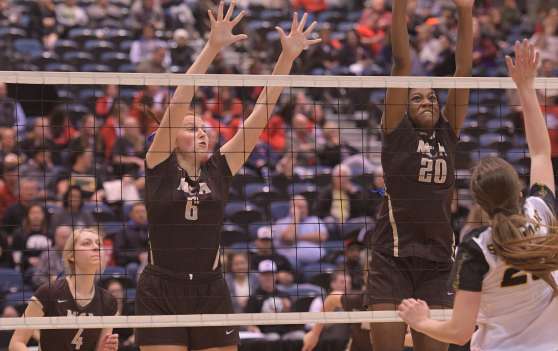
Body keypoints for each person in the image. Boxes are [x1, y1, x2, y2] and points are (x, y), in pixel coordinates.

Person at [136, 1, 321, 350]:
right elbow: (178, 103)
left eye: (204, 128)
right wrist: (212, 46)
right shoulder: (158, 163)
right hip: (161, 288)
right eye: (192, 129)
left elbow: (260, 116)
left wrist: (287, 58)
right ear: (171, 138)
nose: (203, 132)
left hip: (210, 287)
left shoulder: (220, 167)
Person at [399, 40, 558, 351]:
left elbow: (459, 333)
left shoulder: (477, 248)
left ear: (479, 203)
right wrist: (526, 87)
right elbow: (540, 152)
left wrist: (420, 321)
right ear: (519, 189)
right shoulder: (540, 212)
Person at [365, 0, 473, 350]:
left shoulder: (447, 132)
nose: (428, 102)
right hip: (391, 258)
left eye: (431, 97)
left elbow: (464, 72)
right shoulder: (397, 133)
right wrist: (399, 7)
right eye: (417, 99)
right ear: (404, 109)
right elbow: (401, 64)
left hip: (439, 260)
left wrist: (466, 11)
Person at [9, 228, 119, 351]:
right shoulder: (49, 292)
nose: (96, 247)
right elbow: (16, 343)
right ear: (71, 256)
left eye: (99, 244)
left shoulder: (108, 301)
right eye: (86, 243)